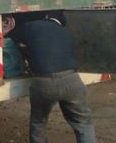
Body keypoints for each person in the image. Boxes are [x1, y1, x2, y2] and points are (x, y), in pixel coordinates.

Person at [23, 13, 97, 143]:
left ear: (47, 17)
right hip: (71, 80)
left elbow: (15, 39)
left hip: (43, 83)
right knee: (83, 123)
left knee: (38, 122)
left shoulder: (31, 26)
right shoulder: (66, 33)